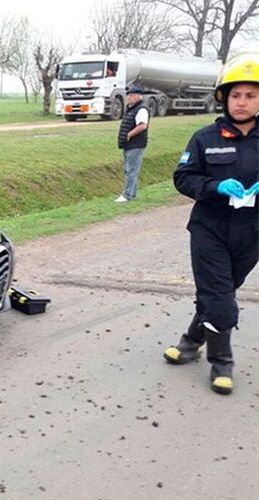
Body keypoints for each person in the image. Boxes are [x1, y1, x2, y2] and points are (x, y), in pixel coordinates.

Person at [164, 52, 259, 395]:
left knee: (219, 293)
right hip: (209, 228)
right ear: (224, 97)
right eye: (236, 95)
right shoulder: (205, 138)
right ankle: (222, 362)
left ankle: (191, 341)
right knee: (220, 299)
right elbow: (183, 178)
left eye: (250, 95)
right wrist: (215, 186)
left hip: (252, 231)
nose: (242, 102)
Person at [115, 85, 150, 202]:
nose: (128, 98)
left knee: (131, 171)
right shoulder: (131, 109)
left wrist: (129, 135)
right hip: (129, 145)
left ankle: (127, 195)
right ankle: (132, 193)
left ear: (136, 96)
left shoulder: (141, 109)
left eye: (130, 95)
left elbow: (142, 126)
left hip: (136, 144)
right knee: (129, 169)